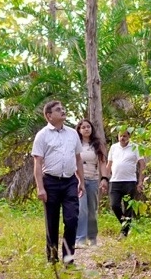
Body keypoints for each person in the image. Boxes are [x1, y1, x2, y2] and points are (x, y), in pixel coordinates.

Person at [32, 100, 84, 263]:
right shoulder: (42, 135)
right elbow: (38, 163)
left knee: (72, 219)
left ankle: (69, 259)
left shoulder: (73, 133)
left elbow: (78, 158)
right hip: (51, 183)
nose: (63, 111)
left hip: (70, 182)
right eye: (58, 110)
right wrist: (40, 188)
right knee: (52, 221)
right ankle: (52, 258)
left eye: (63, 108)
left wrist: (81, 181)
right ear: (49, 116)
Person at [104, 127, 145, 237]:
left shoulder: (135, 147)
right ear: (117, 137)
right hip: (115, 181)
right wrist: (104, 179)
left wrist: (140, 180)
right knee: (114, 205)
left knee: (128, 207)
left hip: (129, 181)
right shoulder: (113, 147)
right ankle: (126, 225)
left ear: (129, 137)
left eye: (125, 136)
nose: (122, 138)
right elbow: (109, 165)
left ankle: (124, 232)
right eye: (120, 136)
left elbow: (142, 164)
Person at [73, 119, 107, 248]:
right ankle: (80, 239)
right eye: (83, 127)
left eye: (88, 127)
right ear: (79, 130)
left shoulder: (97, 144)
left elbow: (102, 162)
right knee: (82, 210)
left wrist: (104, 178)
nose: (86, 129)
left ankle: (93, 239)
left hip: (93, 179)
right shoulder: (76, 144)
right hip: (79, 180)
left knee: (92, 210)